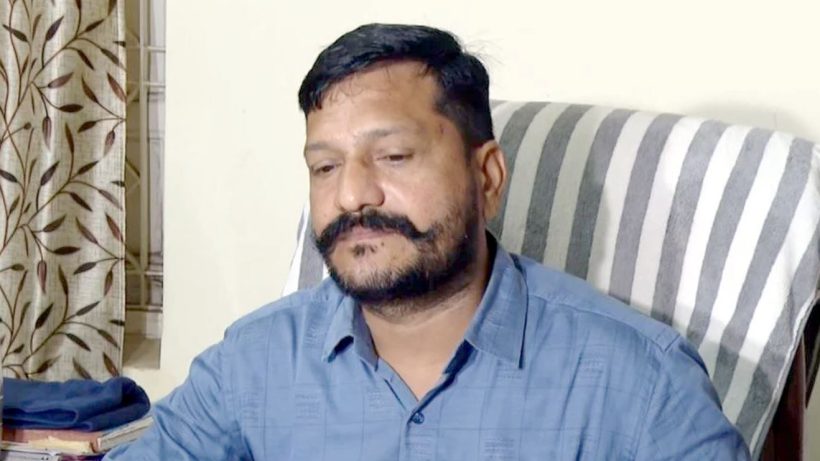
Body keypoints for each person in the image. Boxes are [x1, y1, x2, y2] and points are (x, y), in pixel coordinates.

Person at [107, 24, 750, 460]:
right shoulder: (252, 365)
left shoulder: (641, 383)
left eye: (392, 155)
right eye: (325, 167)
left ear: (487, 177)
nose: (352, 195)